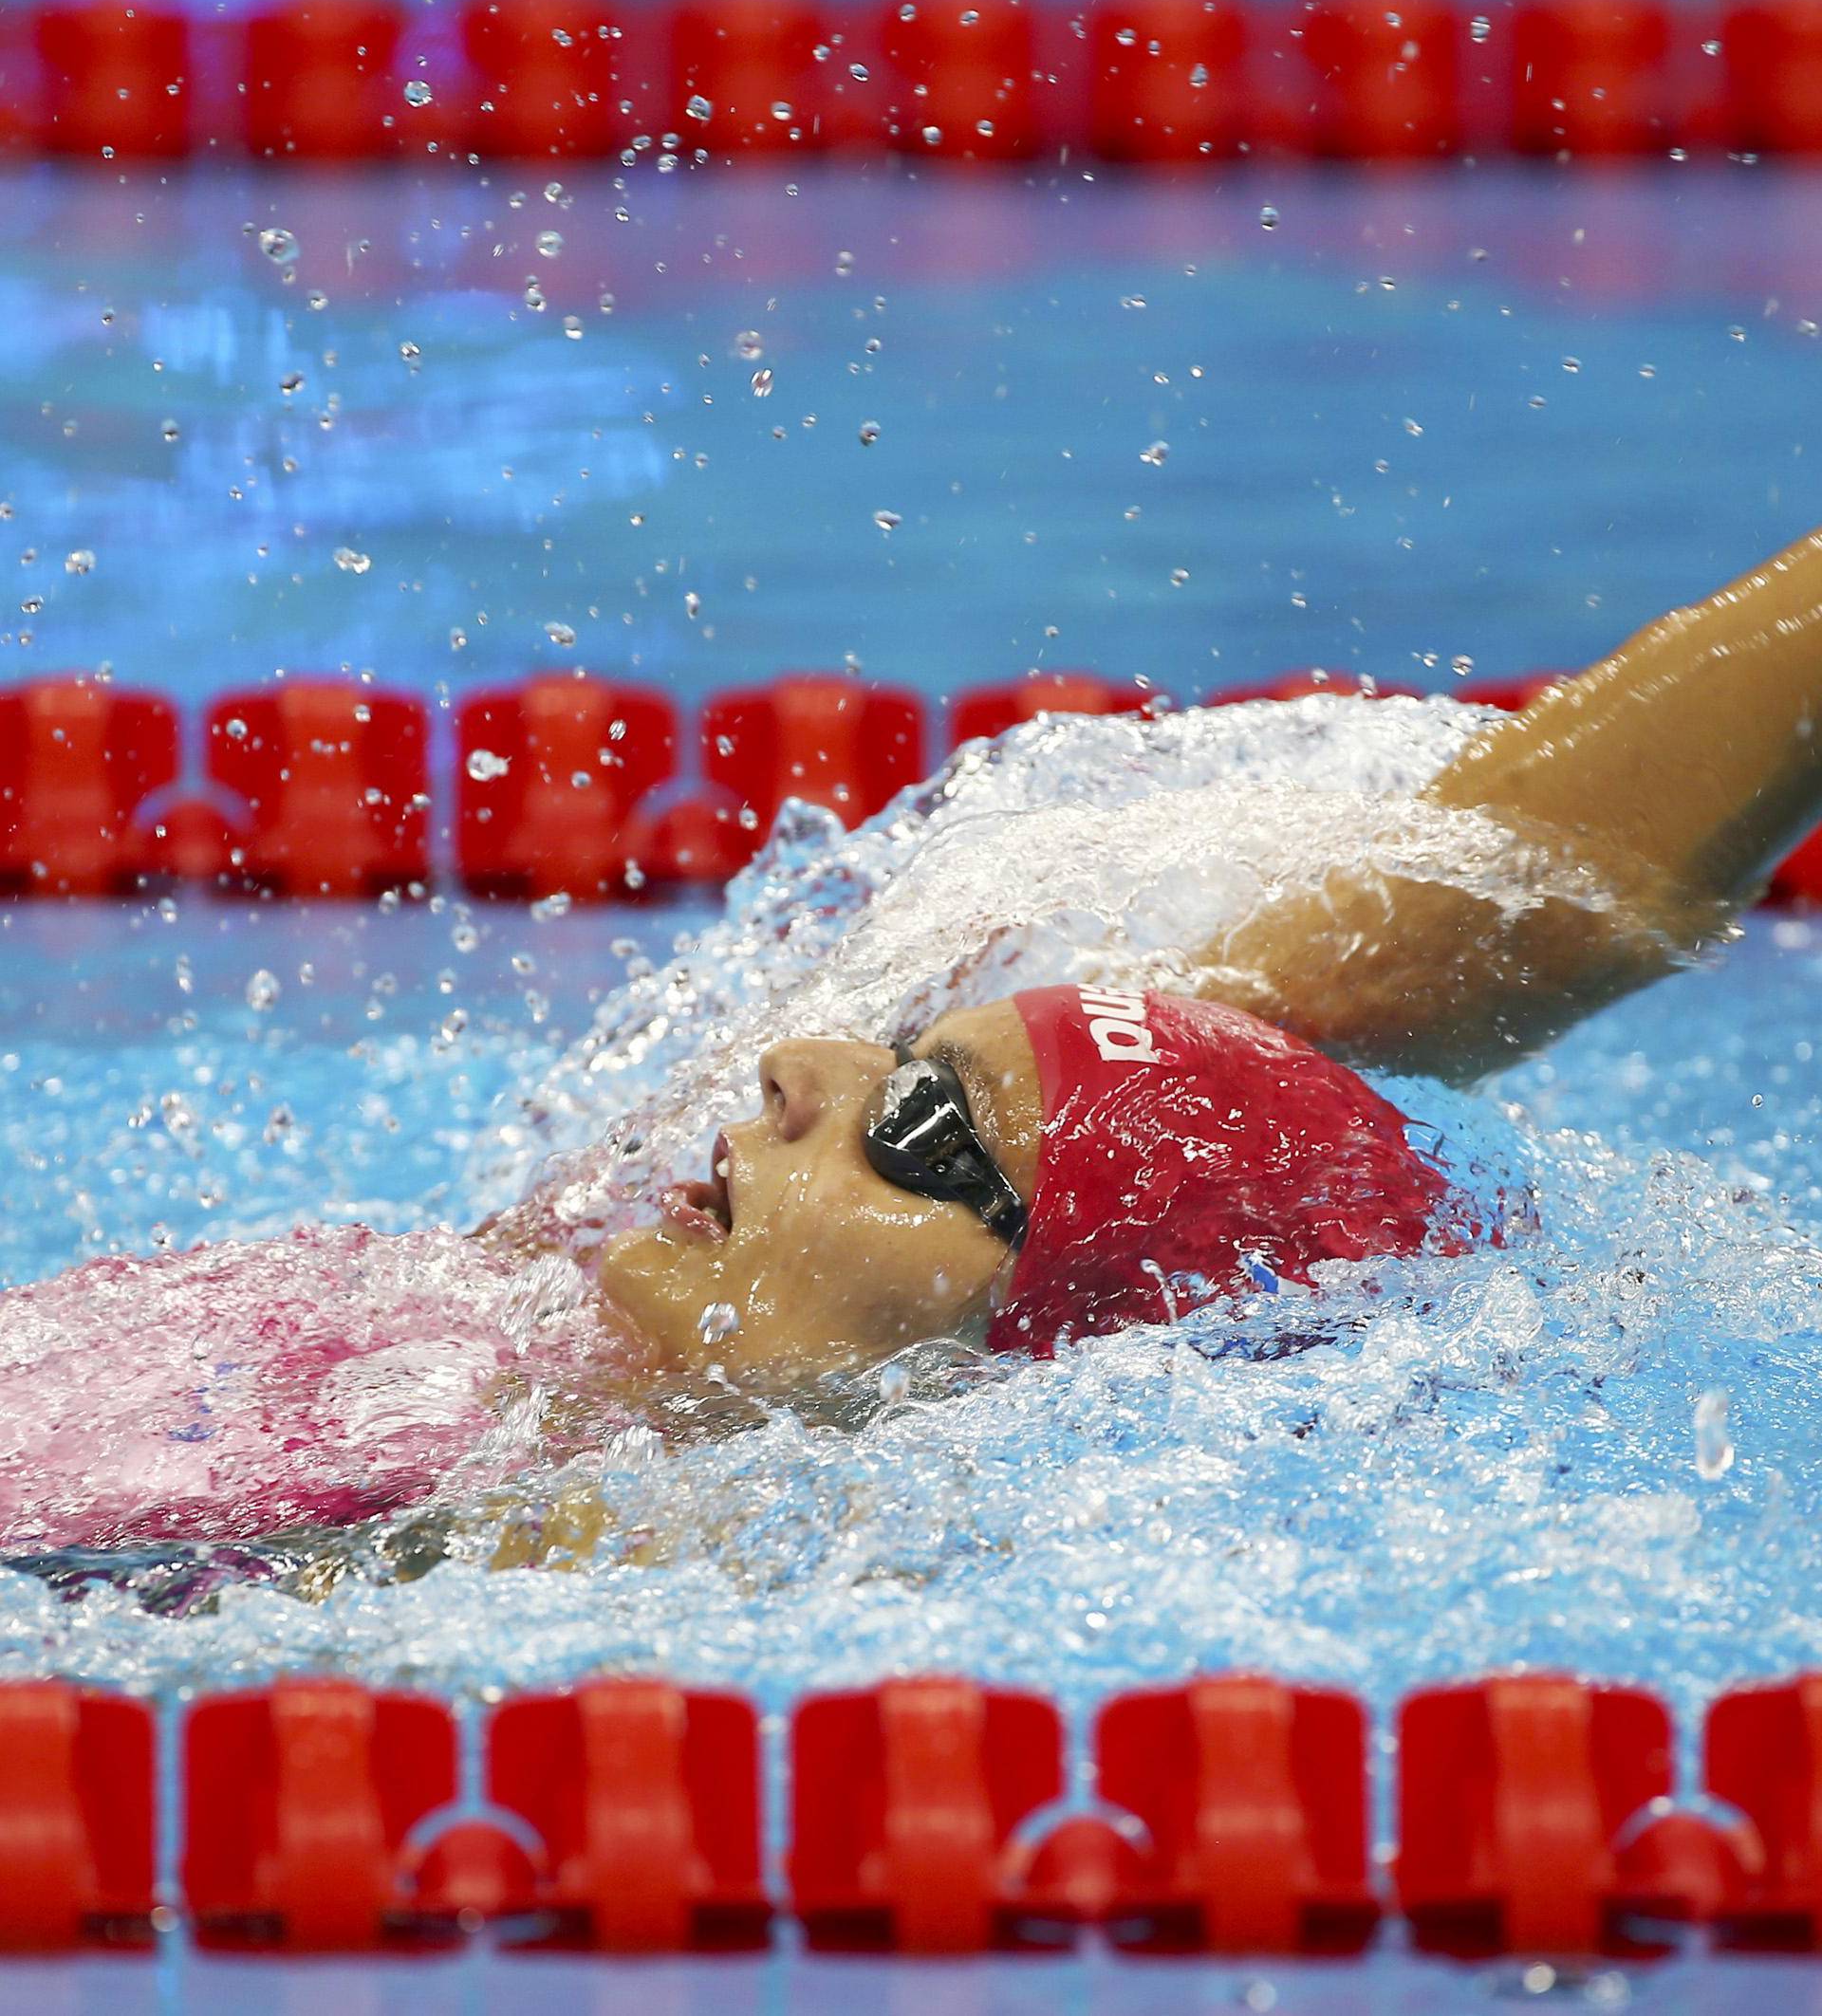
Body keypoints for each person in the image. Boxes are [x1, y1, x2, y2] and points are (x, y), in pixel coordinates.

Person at [7, 524, 1822, 1553]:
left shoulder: (630, 1557)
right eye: (905, 1054)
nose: (804, 1075)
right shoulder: (554, 1309)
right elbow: (1497, 898)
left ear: (1042, 1369)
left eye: (926, 1144)